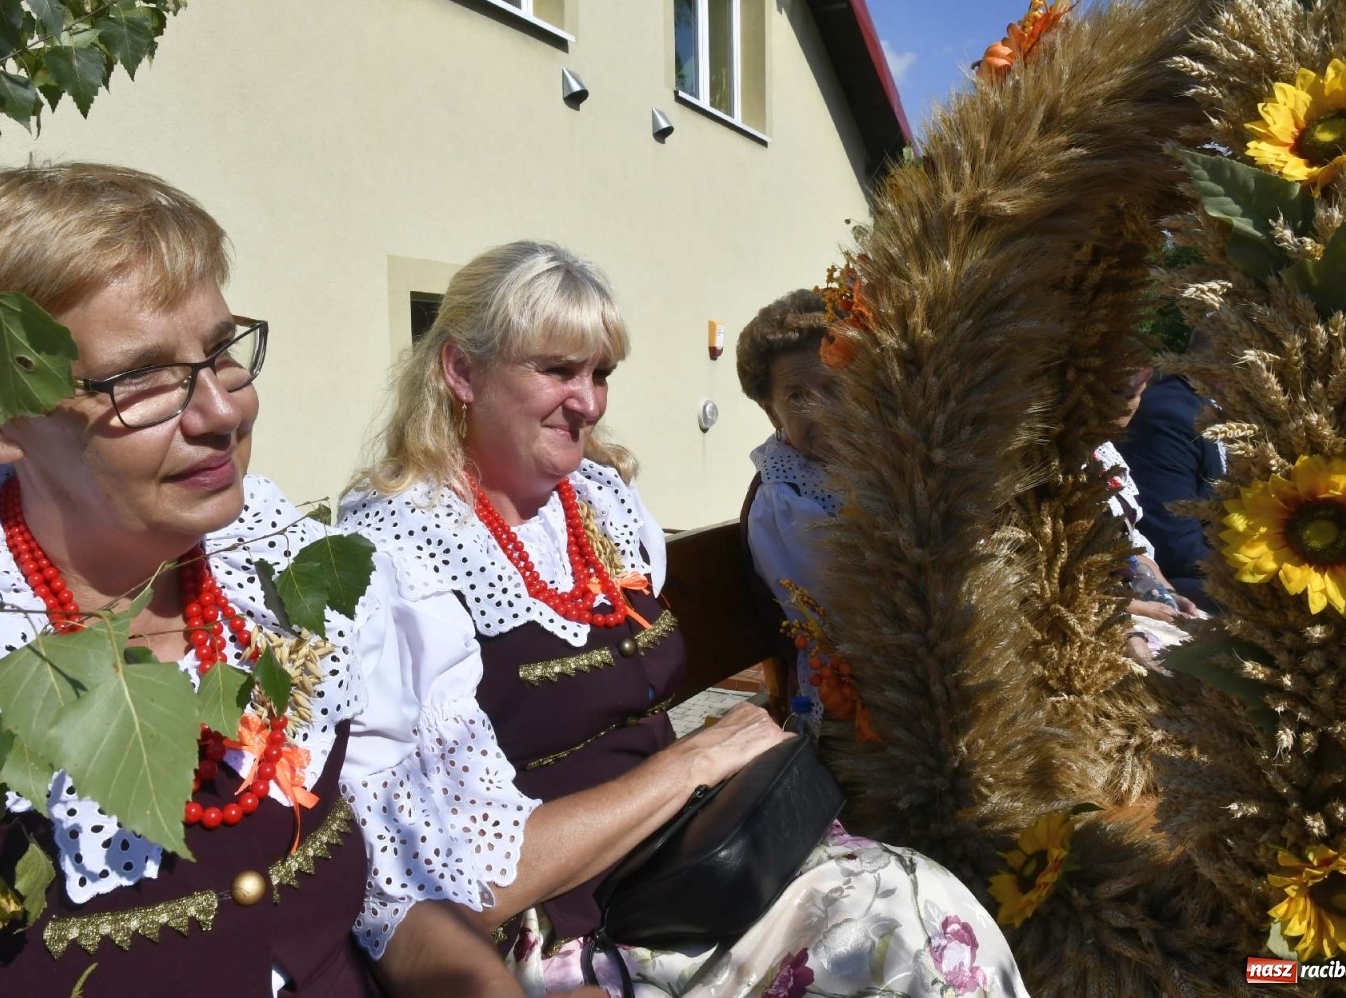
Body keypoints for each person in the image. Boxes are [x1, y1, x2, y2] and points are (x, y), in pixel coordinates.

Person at [0, 167, 603, 998]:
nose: (223, 411)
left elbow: (392, 897)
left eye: (222, 352)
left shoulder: (280, 576)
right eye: (143, 377)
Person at [339, 241, 1031, 997]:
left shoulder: (597, 505)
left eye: (600, 373)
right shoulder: (401, 560)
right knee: (911, 928)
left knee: (925, 909)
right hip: (579, 926)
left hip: (694, 857)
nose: (590, 401)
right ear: (461, 372)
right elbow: (459, 883)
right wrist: (692, 763)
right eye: (557, 370)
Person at [733, 289, 838, 723]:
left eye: (836, 386)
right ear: (771, 413)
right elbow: (851, 620)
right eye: (796, 397)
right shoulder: (783, 501)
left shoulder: (876, 462)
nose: (824, 411)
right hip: (852, 707)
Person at [1117, 352, 1225, 610]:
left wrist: (1160, 589)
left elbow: (1136, 546)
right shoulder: (1171, 413)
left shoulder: (1230, 415)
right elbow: (1177, 546)